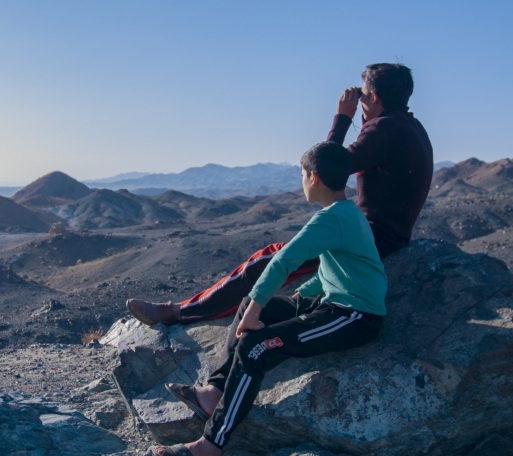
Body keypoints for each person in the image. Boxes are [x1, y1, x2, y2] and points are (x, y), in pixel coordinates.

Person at [127, 63, 432, 326]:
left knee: (271, 261)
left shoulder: (384, 131)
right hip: (383, 233)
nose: (359, 98)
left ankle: (180, 313)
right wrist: (366, 116)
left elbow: (328, 168)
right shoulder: (408, 126)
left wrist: (343, 117)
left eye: (364, 94)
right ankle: (186, 307)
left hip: (369, 238)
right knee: (272, 250)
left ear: (375, 97)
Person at [148, 141, 387, 456]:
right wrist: (305, 291)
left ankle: (211, 444)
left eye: (303, 174)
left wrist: (258, 307)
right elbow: (344, 267)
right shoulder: (345, 212)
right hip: (330, 303)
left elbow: (282, 261)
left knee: (255, 347)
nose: (301, 180)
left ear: (313, 177)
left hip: (354, 317)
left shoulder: (333, 218)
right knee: (249, 303)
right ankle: (213, 393)